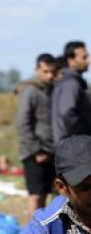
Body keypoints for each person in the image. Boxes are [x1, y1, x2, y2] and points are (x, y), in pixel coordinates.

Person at [16, 53, 56, 214]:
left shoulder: (53, 91)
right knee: (36, 196)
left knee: (50, 196)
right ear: (37, 69)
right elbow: (22, 123)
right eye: (46, 71)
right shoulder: (30, 92)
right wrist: (36, 150)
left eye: (52, 72)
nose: (49, 75)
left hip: (51, 153)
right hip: (34, 154)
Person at [51, 41, 91, 146]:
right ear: (71, 61)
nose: (89, 61)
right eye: (84, 57)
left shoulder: (71, 82)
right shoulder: (71, 84)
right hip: (72, 149)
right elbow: (67, 113)